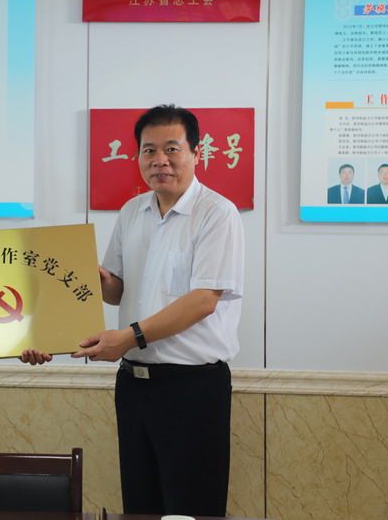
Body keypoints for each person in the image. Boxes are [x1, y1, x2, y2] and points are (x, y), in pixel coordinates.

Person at [72, 105, 244, 517]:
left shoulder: (217, 213)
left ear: (196, 153)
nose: (159, 160)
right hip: (134, 386)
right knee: (141, 506)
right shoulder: (132, 211)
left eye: (172, 148)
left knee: (190, 509)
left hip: (192, 388)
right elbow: (117, 291)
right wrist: (88, 276)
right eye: (149, 150)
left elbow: (203, 300)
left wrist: (129, 337)